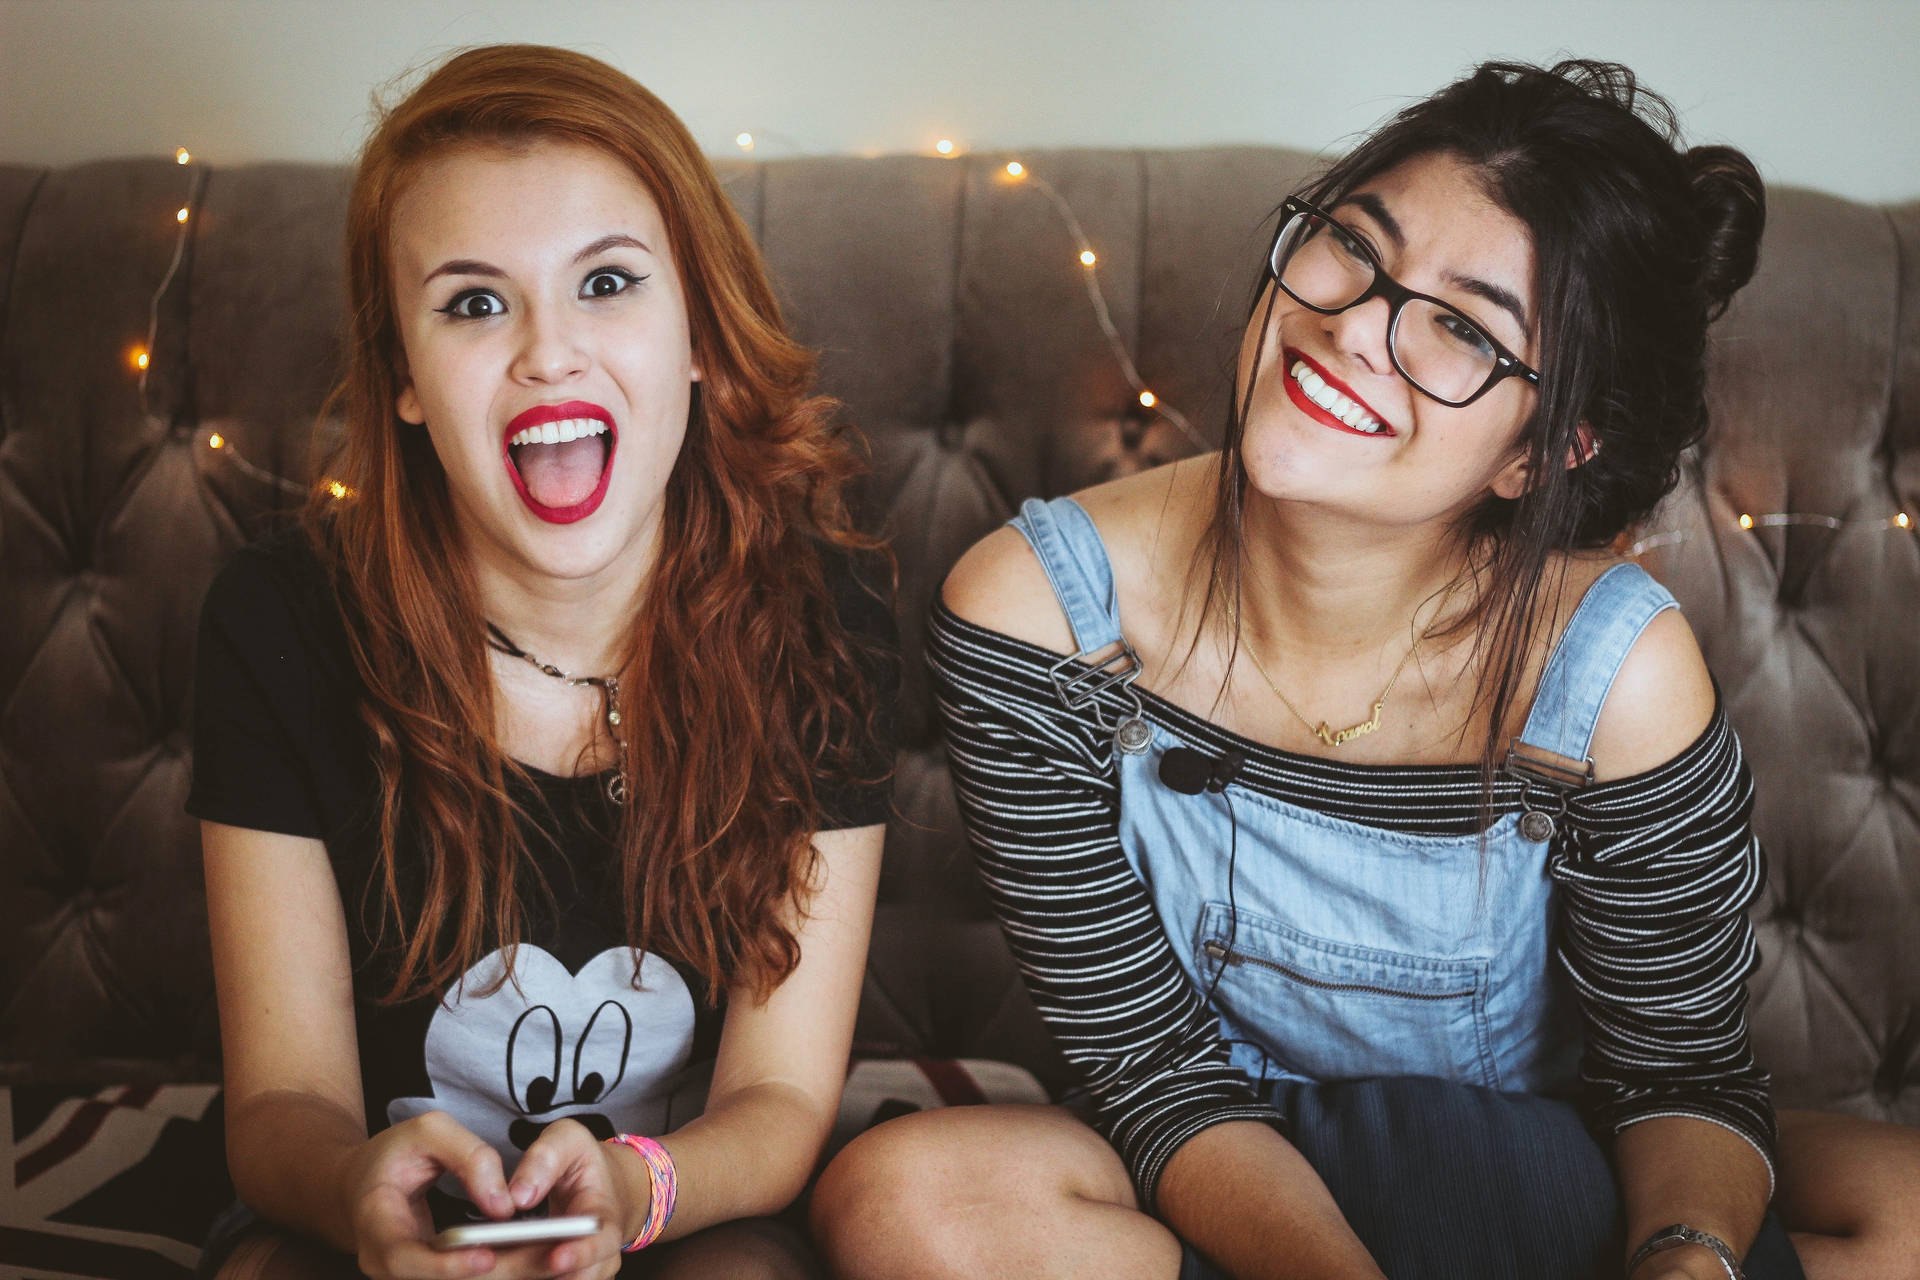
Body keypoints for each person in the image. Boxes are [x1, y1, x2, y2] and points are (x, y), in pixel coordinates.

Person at [809, 60, 1920, 1280]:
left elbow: (1681, 1070)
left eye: (1462, 326)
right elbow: (1150, 1069)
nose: (1350, 326)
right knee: (906, 1193)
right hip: (1223, 1168)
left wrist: (1688, 1256)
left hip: (1559, 1164)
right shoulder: (1032, 613)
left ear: (1543, 453)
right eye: (1353, 243)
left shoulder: (1616, 671)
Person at [190, 44, 894, 1280]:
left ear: (699, 339)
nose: (548, 353)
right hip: (368, 1229)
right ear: (404, 377)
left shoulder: (823, 615)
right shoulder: (280, 619)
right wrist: (357, 1185)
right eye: (474, 302)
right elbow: (281, 1104)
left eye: (608, 282)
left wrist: (635, 1185)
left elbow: (778, 1103)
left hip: (685, 1214)